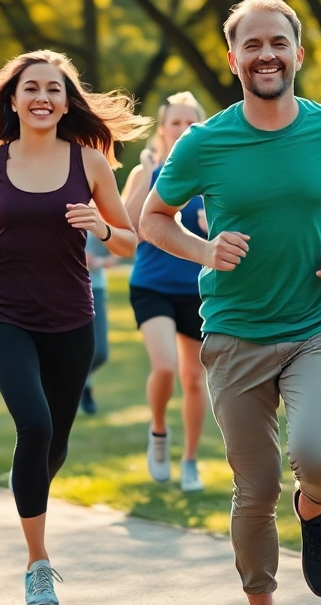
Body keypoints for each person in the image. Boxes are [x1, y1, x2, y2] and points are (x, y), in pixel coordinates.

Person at [139, 0, 321, 604]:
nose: (266, 54)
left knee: (315, 458)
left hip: (318, 324)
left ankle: (315, 509)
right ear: (233, 60)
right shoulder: (204, 142)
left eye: (277, 42)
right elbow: (153, 218)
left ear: (298, 54)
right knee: (254, 490)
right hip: (234, 331)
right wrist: (204, 250)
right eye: (252, 44)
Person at [0, 49, 145, 605]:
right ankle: (38, 564)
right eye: (31, 88)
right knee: (34, 427)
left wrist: (103, 232)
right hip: (2, 314)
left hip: (70, 319)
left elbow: (131, 238)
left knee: (53, 442)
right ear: (13, 100)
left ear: (67, 103)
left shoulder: (90, 164)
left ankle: (29, 487)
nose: (43, 97)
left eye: (54, 89)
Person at [120, 91, 209, 491]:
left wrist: (214, 227)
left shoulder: (211, 173)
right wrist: (146, 172)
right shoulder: (148, 171)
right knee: (166, 368)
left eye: (191, 121)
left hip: (198, 288)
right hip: (152, 285)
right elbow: (126, 226)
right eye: (176, 122)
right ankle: (158, 432)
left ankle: (189, 460)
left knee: (194, 379)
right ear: (163, 129)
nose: (183, 128)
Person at [78, 233, 114, 415]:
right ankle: (83, 391)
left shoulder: (102, 213)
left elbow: (122, 247)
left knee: (100, 352)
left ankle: (75, 382)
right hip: (63, 287)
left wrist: (99, 262)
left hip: (95, 287)